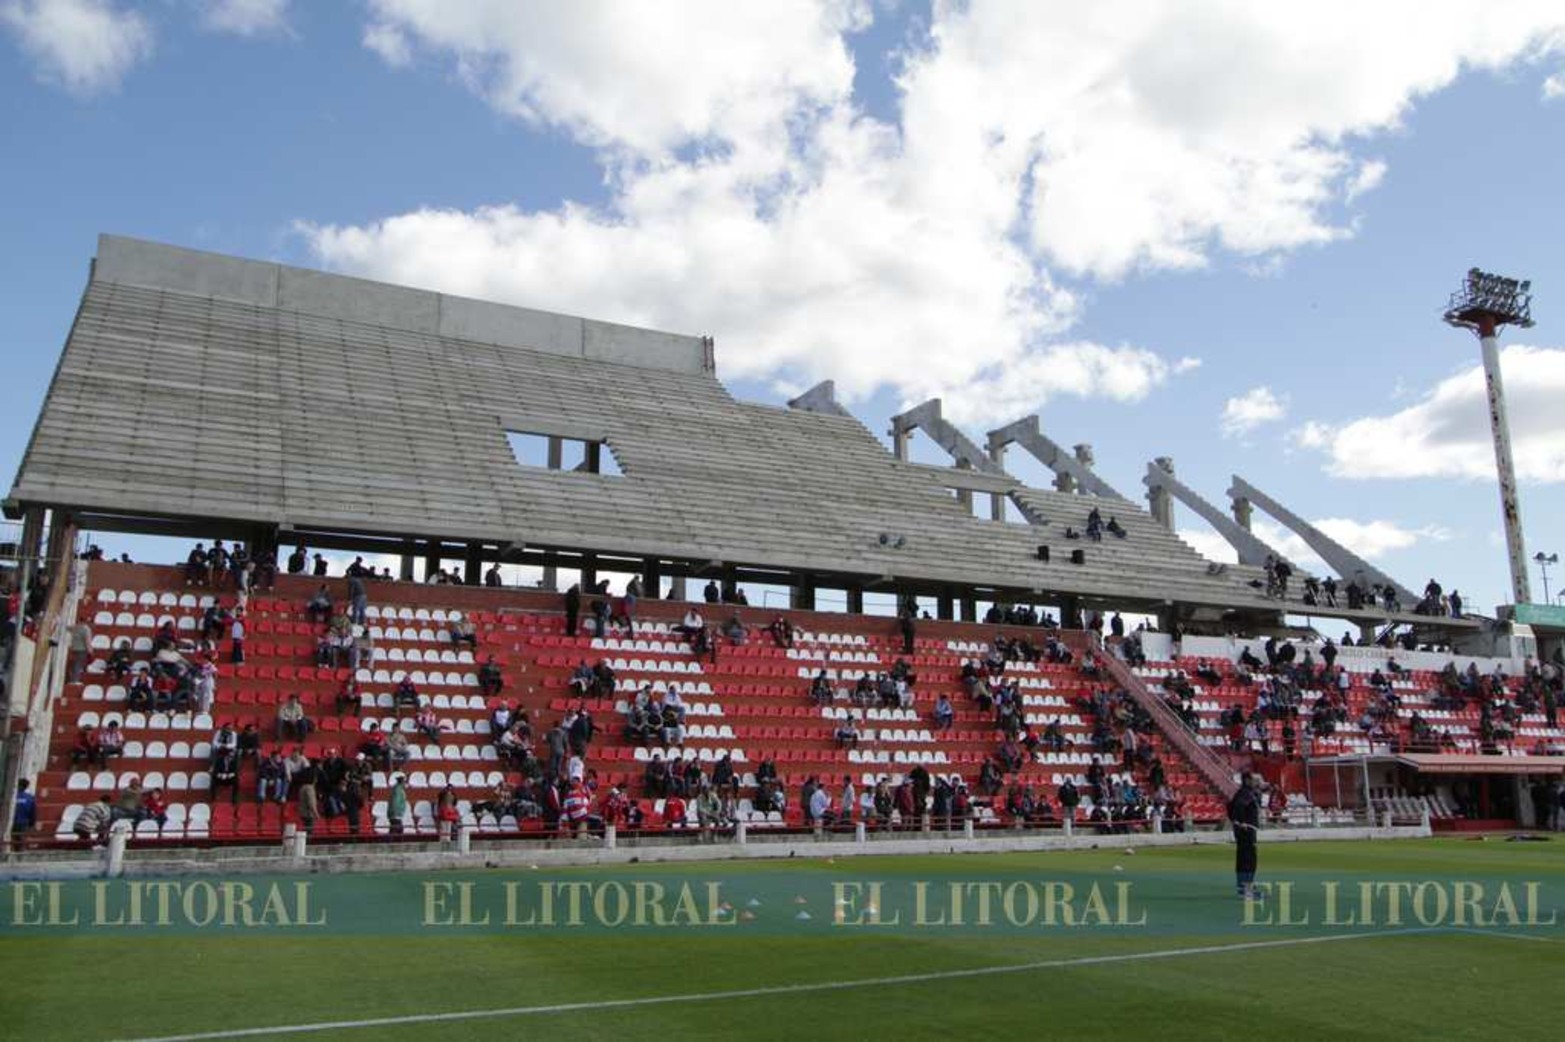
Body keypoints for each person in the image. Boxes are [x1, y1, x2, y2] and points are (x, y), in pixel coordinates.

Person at [1228, 772, 1263, 899]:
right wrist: (1241, 822)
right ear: (1247, 780)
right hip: (1247, 831)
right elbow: (1237, 808)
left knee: (1243, 860)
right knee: (1248, 861)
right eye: (1253, 780)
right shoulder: (1245, 794)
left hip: (1244, 830)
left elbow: (1230, 807)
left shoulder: (1243, 793)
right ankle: (1247, 889)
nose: (1255, 782)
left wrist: (1235, 821)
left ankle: (1243, 888)